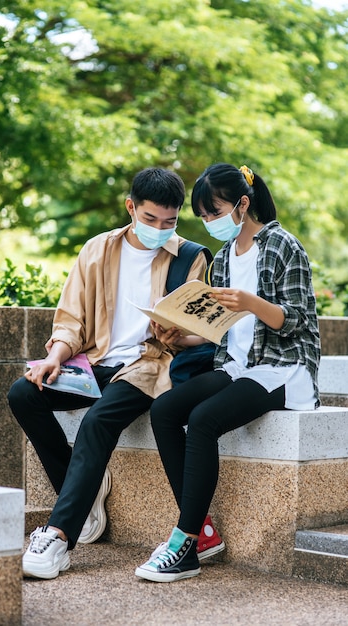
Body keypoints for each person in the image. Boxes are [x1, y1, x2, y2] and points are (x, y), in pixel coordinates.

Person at [7, 166, 223, 580]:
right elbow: (72, 319)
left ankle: (58, 537)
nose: (161, 229)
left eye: (170, 221)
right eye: (150, 219)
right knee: (23, 394)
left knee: (99, 419)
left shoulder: (191, 257)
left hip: (147, 365)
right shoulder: (96, 250)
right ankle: (83, 498)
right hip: (93, 360)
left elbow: (198, 328)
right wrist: (56, 355)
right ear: (131, 207)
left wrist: (174, 333)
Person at [135, 163, 321, 583]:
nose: (209, 222)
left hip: (283, 369)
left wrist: (250, 301)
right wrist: (178, 337)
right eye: (203, 217)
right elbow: (220, 332)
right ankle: (200, 532)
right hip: (238, 365)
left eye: (214, 212)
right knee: (165, 411)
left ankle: (183, 543)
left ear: (243, 203)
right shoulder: (221, 259)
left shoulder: (281, 245)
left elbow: (298, 321)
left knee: (202, 421)